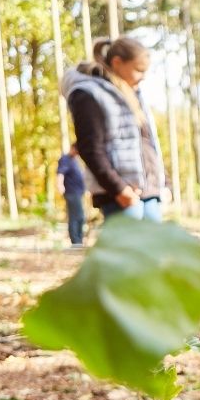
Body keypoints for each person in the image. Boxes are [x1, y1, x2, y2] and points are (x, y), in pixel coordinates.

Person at [59, 36, 166, 222]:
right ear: (117, 63)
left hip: (149, 191)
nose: (144, 76)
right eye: (139, 70)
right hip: (119, 195)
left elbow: (147, 143)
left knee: (155, 249)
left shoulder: (134, 94)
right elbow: (90, 148)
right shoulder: (88, 94)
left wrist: (165, 183)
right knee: (128, 250)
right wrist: (119, 189)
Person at [55, 143, 86, 246]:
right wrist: (60, 185)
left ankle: (79, 240)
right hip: (71, 192)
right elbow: (60, 173)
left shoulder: (75, 160)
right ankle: (76, 241)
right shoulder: (65, 159)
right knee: (76, 216)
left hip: (78, 192)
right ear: (73, 148)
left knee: (79, 216)